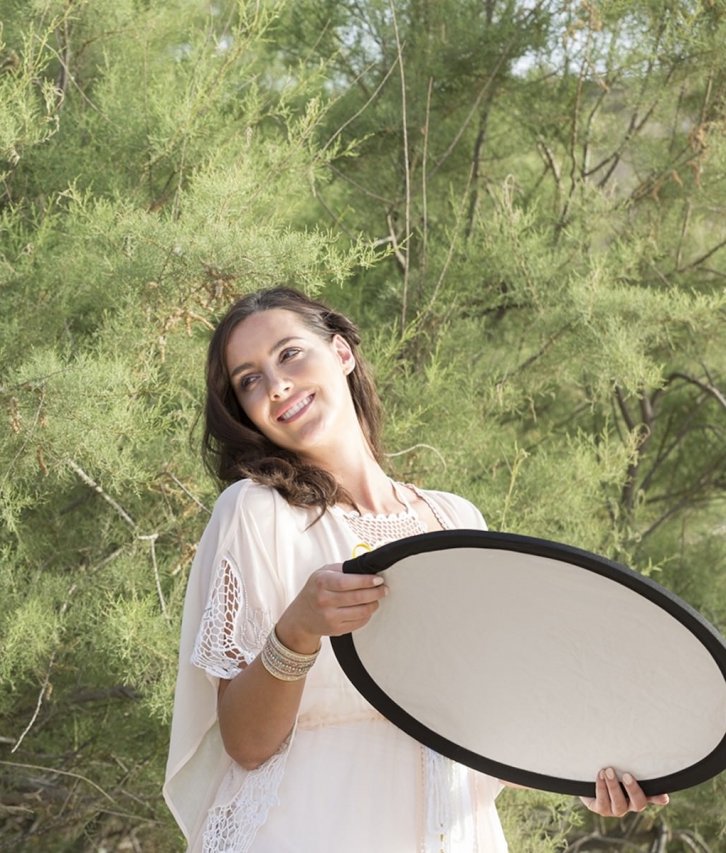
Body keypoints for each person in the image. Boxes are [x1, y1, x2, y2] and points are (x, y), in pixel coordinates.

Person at [163, 287, 667, 852]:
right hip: (311, 829)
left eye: (289, 354)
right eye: (249, 380)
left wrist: (590, 769)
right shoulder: (256, 514)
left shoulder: (456, 519)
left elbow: (496, 716)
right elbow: (247, 744)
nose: (276, 385)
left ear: (341, 353)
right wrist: (298, 629)